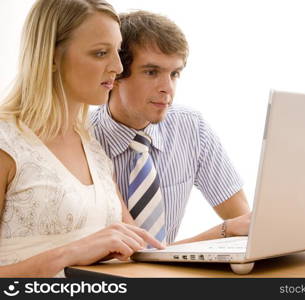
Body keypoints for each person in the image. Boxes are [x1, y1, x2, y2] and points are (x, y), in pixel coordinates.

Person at [0, 0, 163, 278]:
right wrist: (72, 252)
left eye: (117, 52)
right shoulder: (7, 143)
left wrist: (225, 234)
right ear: (50, 56)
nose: (118, 67)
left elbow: (145, 249)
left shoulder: (91, 146)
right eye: (101, 53)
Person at [91, 10, 251, 246]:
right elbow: (136, 256)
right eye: (151, 72)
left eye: (175, 73)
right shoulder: (82, 139)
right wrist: (224, 231)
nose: (168, 88)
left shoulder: (192, 128)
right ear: (116, 74)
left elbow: (245, 223)